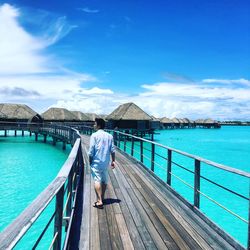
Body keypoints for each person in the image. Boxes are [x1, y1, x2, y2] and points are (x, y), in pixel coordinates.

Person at [88, 118, 115, 209]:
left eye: (95, 124)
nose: (93, 125)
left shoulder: (94, 135)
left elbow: (91, 150)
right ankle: (101, 198)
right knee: (104, 180)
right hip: (105, 162)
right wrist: (113, 161)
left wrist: (90, 160)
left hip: (96, 161)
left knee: (97, 180)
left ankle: (99, 201)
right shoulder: (109, 136)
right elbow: (112, 150)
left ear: (98, 125)